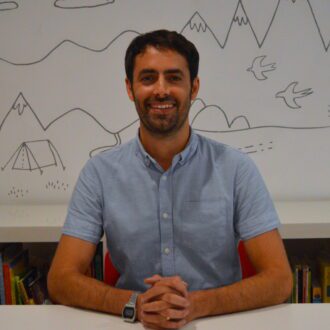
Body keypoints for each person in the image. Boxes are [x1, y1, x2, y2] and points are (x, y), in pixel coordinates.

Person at [47, 30, 292, 329]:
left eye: (174, 78)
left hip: (217, 322)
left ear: (194, 87)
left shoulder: (236, 169)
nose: (161, 90)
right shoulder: (99, 174)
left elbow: (280, 280)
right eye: (148, 78)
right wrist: (134, 304)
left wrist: (196, 305)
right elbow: (60, 279)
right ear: (129, 88)